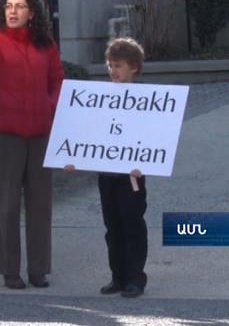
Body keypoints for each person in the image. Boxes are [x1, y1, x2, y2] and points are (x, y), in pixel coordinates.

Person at [0, 0, 64, 290]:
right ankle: (9, 269)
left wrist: (49, 106)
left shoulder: (46, 44)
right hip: (3, 132)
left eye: (20, 6)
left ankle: (39, 269)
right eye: (8, 5)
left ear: (31, 12)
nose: (13, 10)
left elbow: (57, 81)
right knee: (6, 204)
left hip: (40, 133)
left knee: (40, 204)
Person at [64, 37, 148, 298]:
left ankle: (135, 278)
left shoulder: (147, 99)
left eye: (118, 65)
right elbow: (90, 133)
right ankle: (118, 276)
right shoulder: (101, 97)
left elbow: (152, 136)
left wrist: (143, 163)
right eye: (110, 65)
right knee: (112, 227)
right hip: (107, 175)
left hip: (131, 176)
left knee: (132, 226)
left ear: (133, 67)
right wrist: (73, 156)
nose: (113, 70)